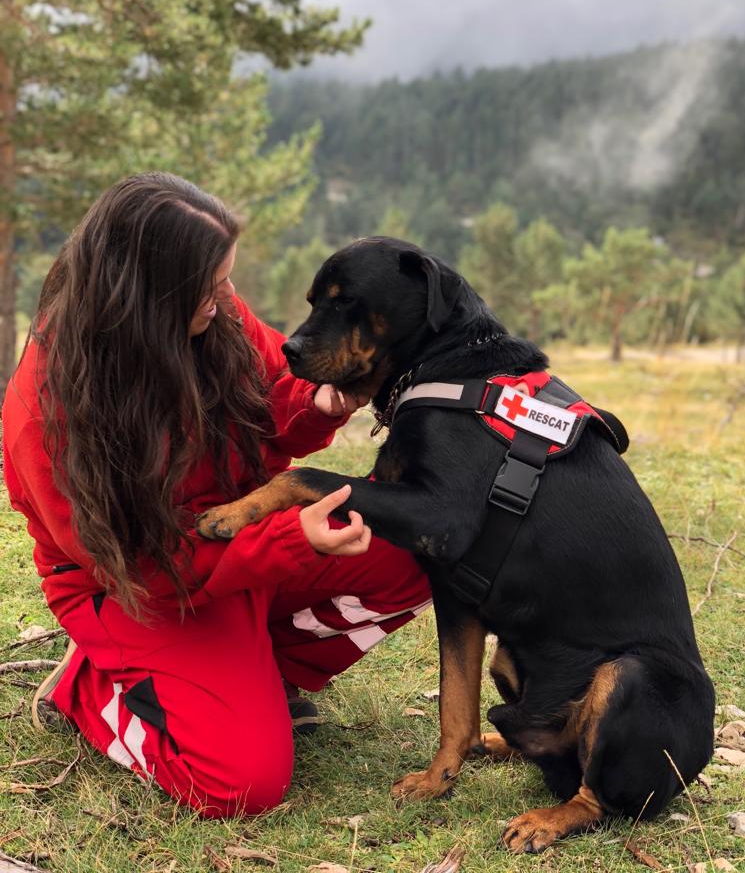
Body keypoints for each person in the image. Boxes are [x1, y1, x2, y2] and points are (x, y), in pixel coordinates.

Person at [2, 172, 431, 818]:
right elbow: (141, 570)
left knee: (423, 544)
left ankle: (259, 676)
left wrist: (317, 401)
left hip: (239, 551)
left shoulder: (215, 317)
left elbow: (269, 400)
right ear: (145, 294)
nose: (226, 297)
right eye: (208, 287)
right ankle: (89, 691)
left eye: (225, 279)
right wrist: (290, 538)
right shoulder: (49, 413)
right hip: (139, 590)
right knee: (238, 785)